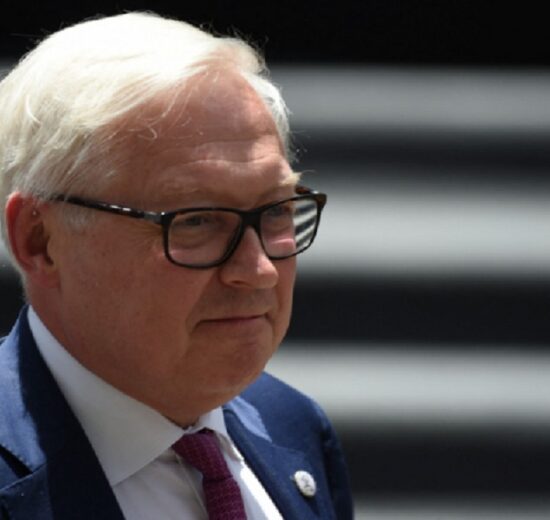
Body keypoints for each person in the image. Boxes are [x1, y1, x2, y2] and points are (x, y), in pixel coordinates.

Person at [0, 12, 353, 520]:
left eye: (276, 210)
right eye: (196, 221)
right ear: (40, 240)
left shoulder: (292, 426)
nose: (259, 270)